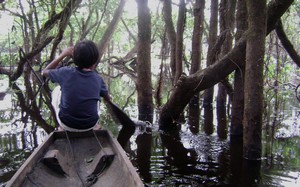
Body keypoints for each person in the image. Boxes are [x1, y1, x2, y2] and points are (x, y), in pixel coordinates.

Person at [42, 40, 110, 132]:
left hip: (67, 125)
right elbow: (107, 98)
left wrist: (63, 55)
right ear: (95, 60)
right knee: (98, 97)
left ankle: (61, 127)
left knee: (57, 90)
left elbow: (44, 71)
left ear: (74, 58)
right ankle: (95, 126)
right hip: (90, 124)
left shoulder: (65, 72)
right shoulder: (98, 79)